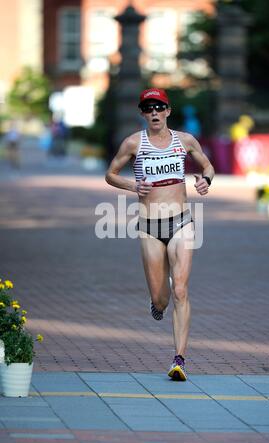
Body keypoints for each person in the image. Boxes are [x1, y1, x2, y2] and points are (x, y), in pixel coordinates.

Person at [105, 88, 215, 381]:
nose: (154, 112)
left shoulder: (184, 140)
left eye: (159, 107)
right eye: (148, 108)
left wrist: (205, 181)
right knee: (161, 300)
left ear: (168, 111)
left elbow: (207, 165)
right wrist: (132, 186)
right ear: (143, 114)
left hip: (182, 222)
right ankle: (157, 299)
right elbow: (110, 173)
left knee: (181, 290)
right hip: (150, 227)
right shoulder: (133, 143)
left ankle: (179, 359)